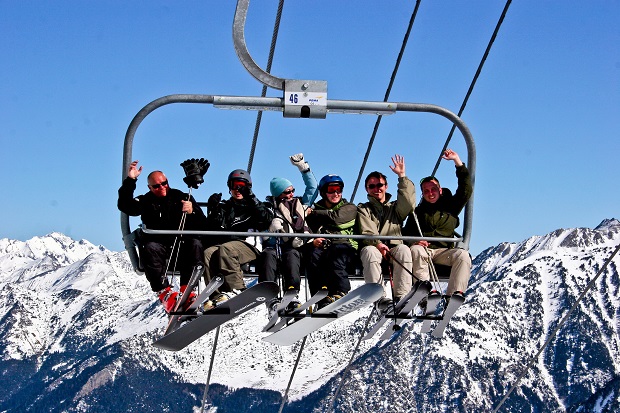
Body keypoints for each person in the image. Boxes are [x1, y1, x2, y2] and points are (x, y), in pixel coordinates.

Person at [117, 160, 207, 314]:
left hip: (181, 249)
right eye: (156, 186)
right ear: (150, 188)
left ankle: (189, 291)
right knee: (151, 247)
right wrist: (130, 181)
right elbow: (125, 205)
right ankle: (166, 295)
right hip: (160, 250)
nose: (162, 188)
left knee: (195, 243)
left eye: (164, 183)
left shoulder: (181, 197)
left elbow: (203, 223)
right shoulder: (146, 201)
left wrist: (192, 210)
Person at [357, 154, 426, 310]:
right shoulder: (364, 209)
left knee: (403, 250)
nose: (377, 189)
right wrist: (377, 243)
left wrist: (402, 177)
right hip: (374, 247)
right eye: (372, 186)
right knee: (369, 252)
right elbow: (367, 229)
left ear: (386, 186)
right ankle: (379, 298)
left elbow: (409, 202)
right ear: (367, 189)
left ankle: (402, 296)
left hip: (394, 247)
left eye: (379, 185)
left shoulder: (394, 209)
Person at [404, 149, 473, 298]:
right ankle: (424, 293)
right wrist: (415, 241)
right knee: (416, 251)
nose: (430, 193)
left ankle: (453, 295)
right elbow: (406, 234)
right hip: (424, 251)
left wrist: (458, 163)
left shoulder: (451, 207)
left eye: (433, 189)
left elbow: (465, 190)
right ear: (423, 194)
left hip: (443, 251)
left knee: (463, 256)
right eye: (426, 191)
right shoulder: (417, 213)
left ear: (440, 190)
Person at [202, 169, 273, 309]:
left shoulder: (255, 205)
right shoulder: (225, 207)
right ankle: (216, 294)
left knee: (227, 249)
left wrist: (252, 199)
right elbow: (212, 229)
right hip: (225, 245)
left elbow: (266, 219)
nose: (238, 189)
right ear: (229, 187)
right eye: (235, 185)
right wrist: (213, 211)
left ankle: (238, 289)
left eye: (242, 186)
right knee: (208, 253)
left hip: (248, 245)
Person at [260, 153, 317, 316]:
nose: (291, 195)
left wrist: (303, 168)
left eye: (292, 191)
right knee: (269, 255)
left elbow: (313, 189)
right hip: (276, 247)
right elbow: (266, 238)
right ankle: (271, 300)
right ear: (278, 195)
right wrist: (271, 231)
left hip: (296, 245)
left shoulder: (299, 205)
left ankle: (292, 295)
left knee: (292, 255)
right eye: (287, 192)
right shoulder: (270, 210)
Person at [306, 174, 357, 310]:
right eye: (331, 190)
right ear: (323, 192)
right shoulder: (316, 210)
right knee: (313, 255)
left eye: (338, 189)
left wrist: (315, 213)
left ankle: (341, 290)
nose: (336, 193)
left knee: (336, 253)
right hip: (326, 248)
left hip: (346, 247)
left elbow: (336, 219)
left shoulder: (349, 207)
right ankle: (320, 296)